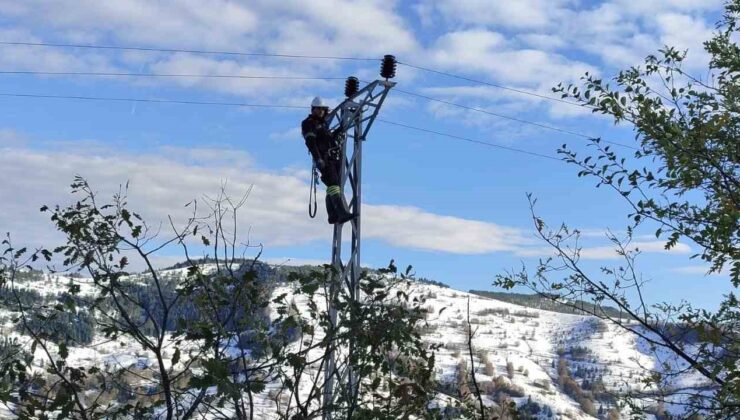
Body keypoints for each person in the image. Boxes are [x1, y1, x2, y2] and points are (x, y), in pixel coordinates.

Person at [301, 96, 355, 224]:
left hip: (332, 157)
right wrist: (318, 158)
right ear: (313, 109)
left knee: (333, 186)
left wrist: (338, 131)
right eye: (318, 109)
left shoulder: (323, 125)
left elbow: (328, 139)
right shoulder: (309, 123)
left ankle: (332, 215)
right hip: (323, 158)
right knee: (334, 184)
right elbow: (311, 142)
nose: (321, 112)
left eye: (323, 110)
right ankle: (341, 213)